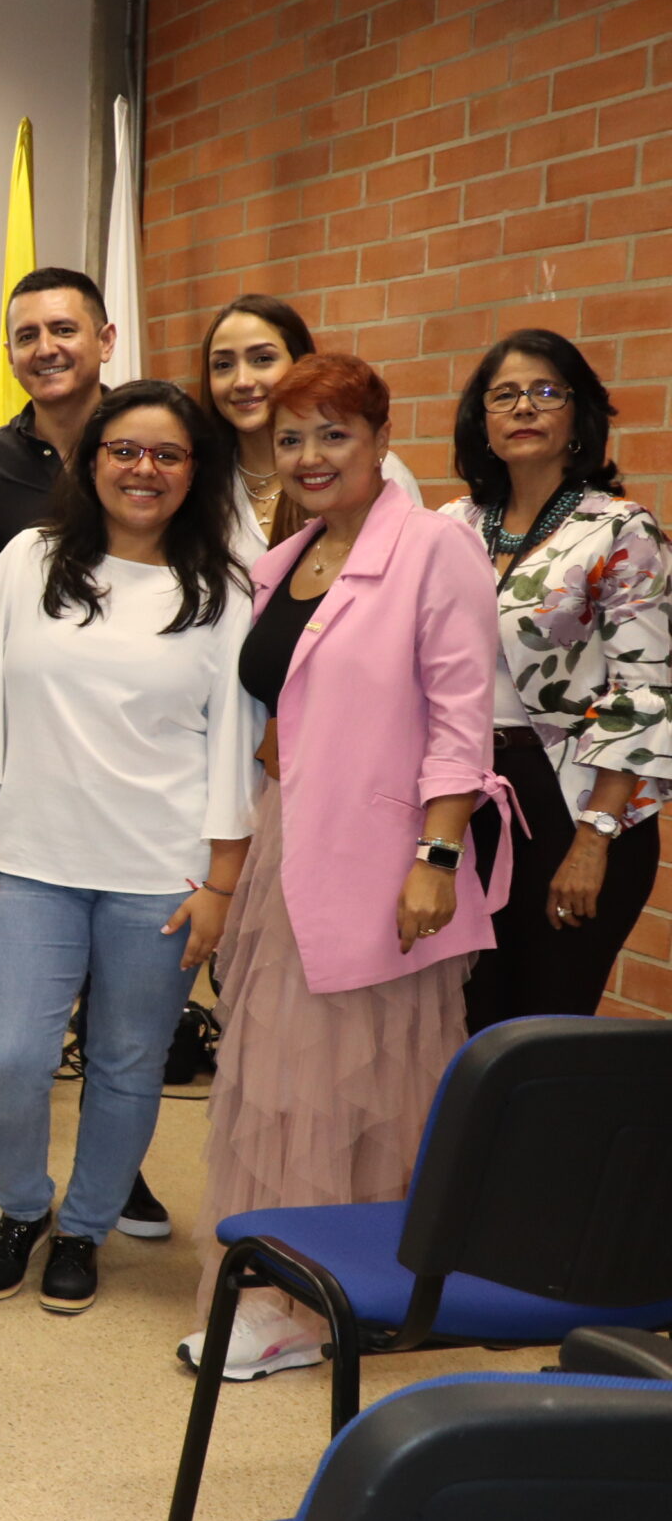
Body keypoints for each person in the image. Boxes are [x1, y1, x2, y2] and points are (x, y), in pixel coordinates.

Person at [181, 352, 506, 1379]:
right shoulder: (287, 558)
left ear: (379, 439)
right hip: (290, 839)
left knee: (351, 1079)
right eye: (290, 438)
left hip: (385, 856)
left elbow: (461, 719)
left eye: (334, 434)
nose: (310, 456)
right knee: (273, 1071)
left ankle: (324, 1298)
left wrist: (435, 857)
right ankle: (277, 1284)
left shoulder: (435, 548)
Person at [0, 380, 255, 1315]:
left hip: (161, 873)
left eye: (167, 454)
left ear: (195, 471)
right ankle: (20, 1205)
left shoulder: (224, 591)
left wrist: (220, 885)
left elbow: (235, 749)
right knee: (3, 1055)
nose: (144, 470)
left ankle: (83, 1228)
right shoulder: (30, 561)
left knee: (126, 1063)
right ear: (92, 460)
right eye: (125, 450)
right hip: (30, 859)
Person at [441, 330, 668, 1031]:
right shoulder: (451, 527)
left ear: (579, 415)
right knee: (458, 1023)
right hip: (466, 798)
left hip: (574, 804)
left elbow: (644, 689)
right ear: (481, 420)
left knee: (538, 1031)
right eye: (504, 394)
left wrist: (595, 837)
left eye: (546, 391)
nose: (524, 407)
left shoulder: (621, 529)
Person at [196, 293, 422, 557]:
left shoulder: (374, 470)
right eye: (223, 365)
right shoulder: (200, 486)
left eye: (262, 359)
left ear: (300, 363)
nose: (242, 381)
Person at [0, 266, 115, 553]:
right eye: (27, 337)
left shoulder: (146, 453)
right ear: (10, 356)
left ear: (105, 342)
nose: (45, 349)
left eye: (64, 331)